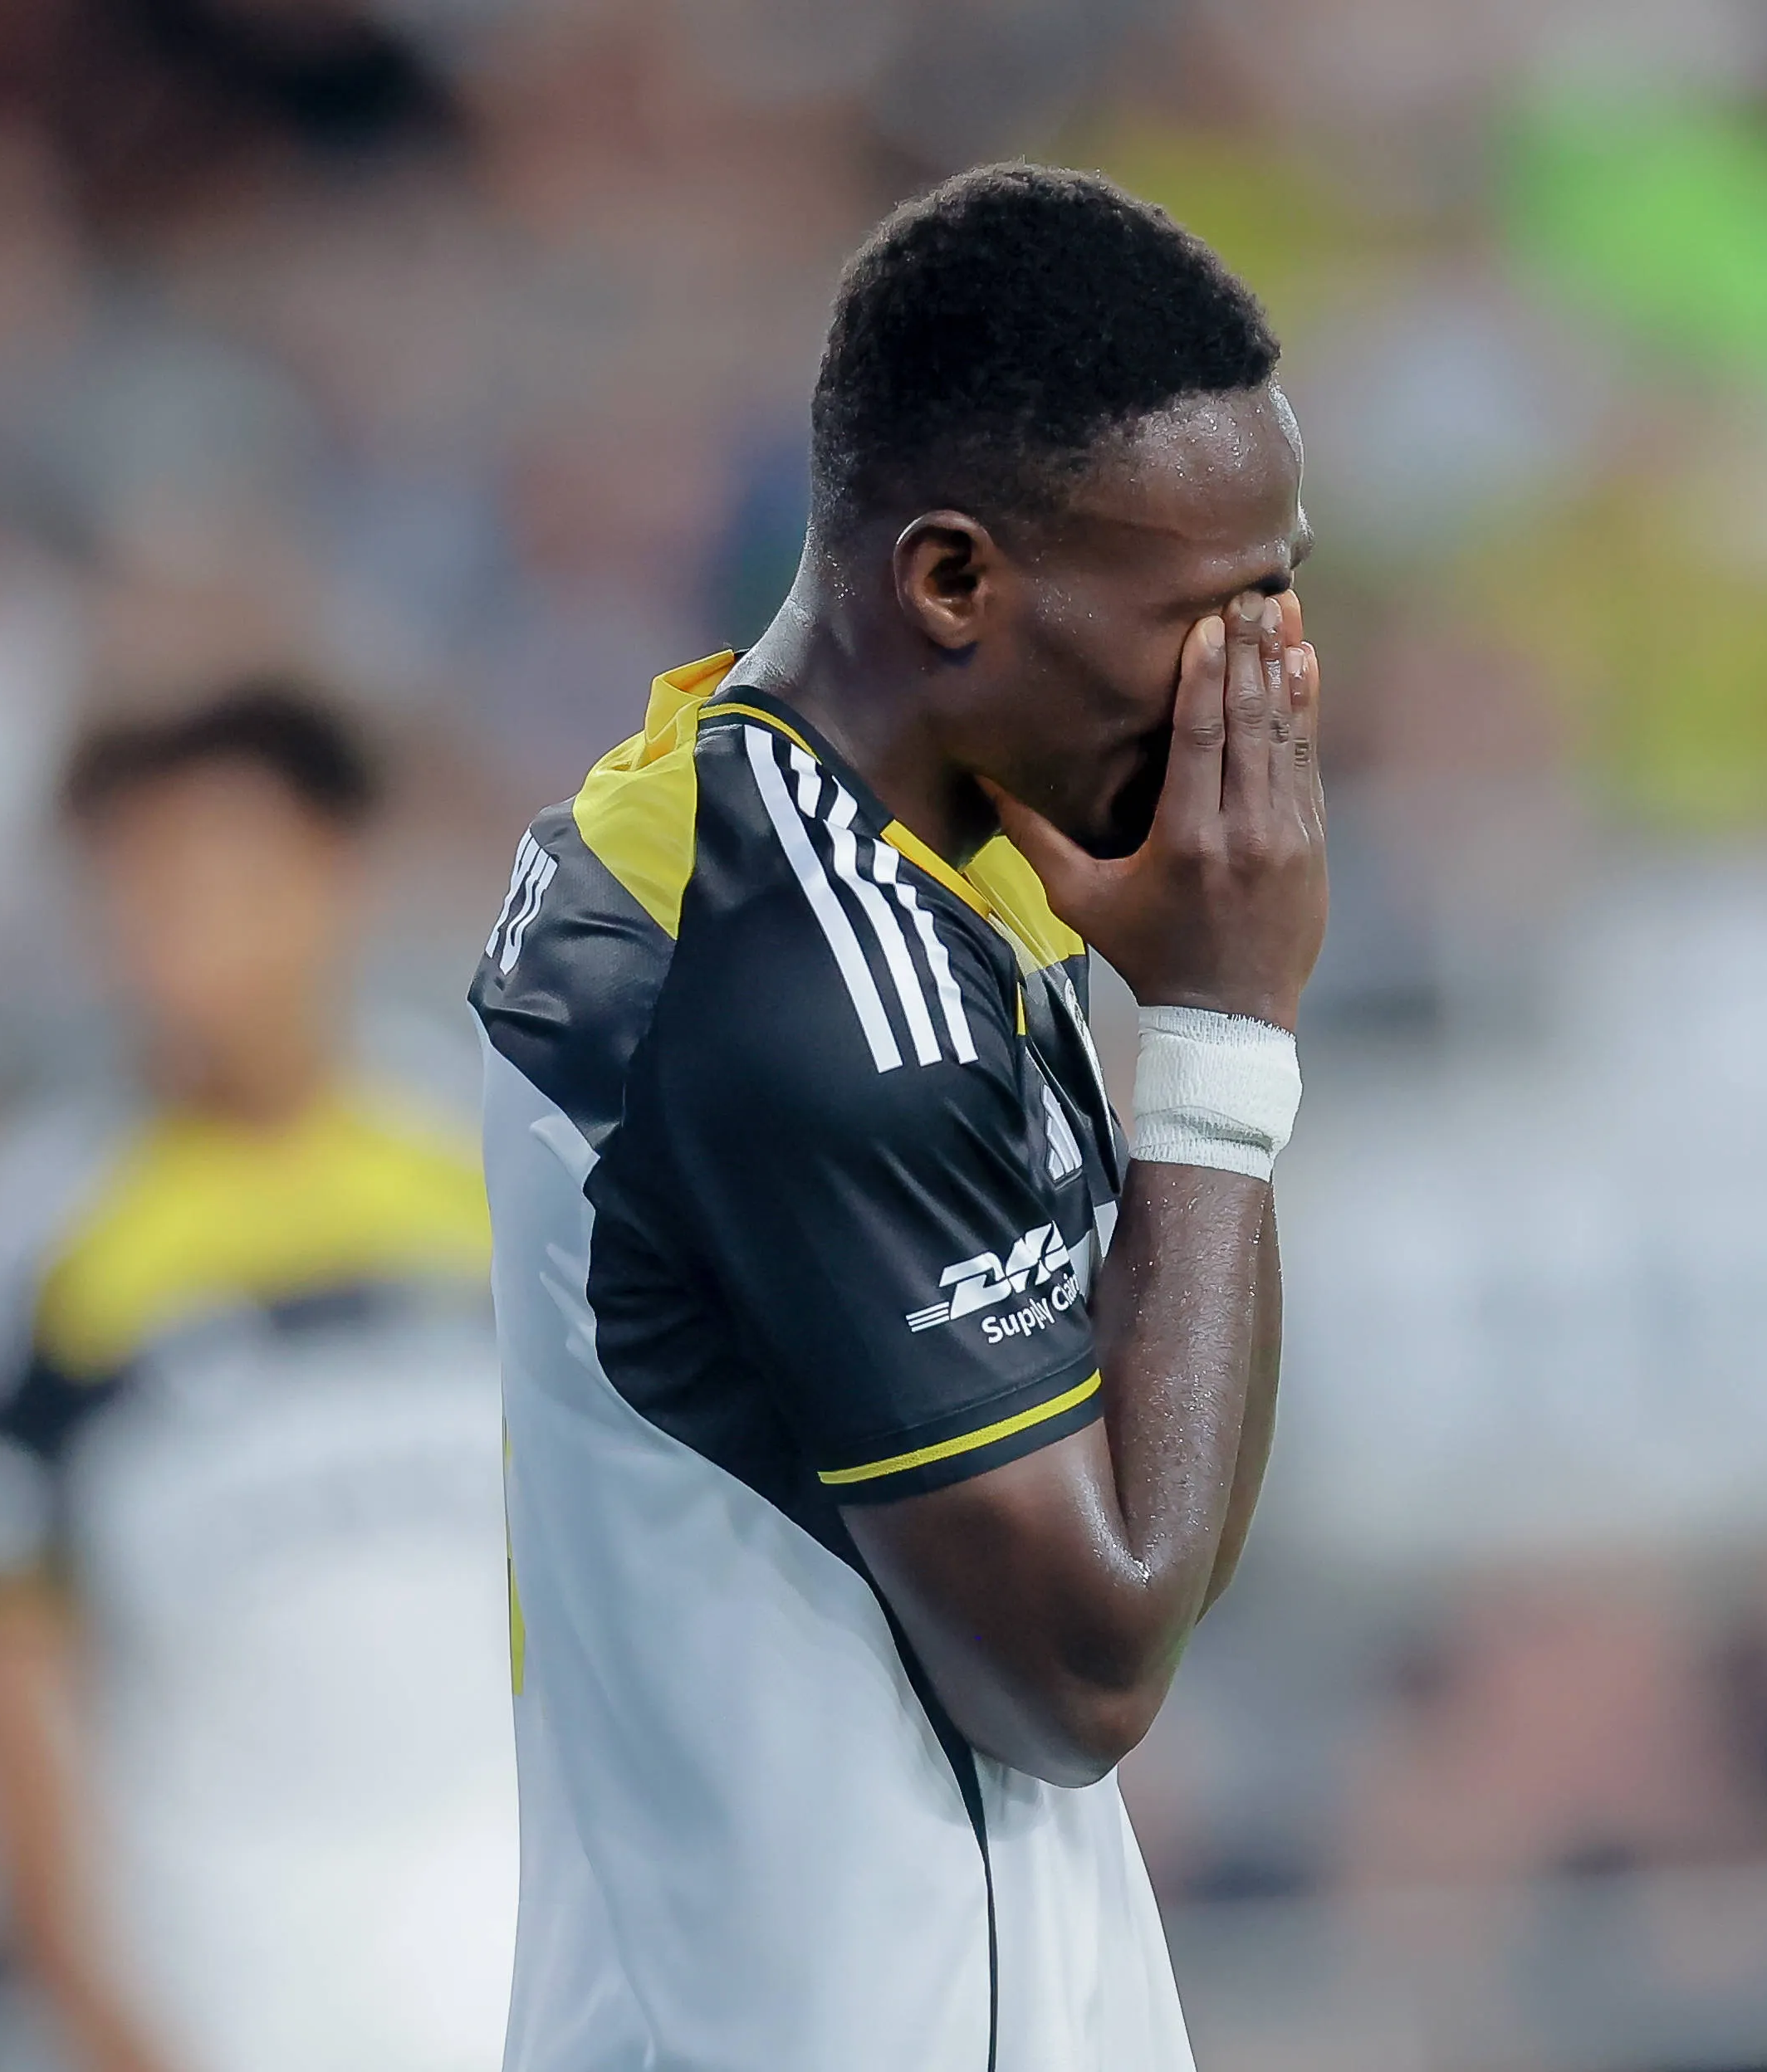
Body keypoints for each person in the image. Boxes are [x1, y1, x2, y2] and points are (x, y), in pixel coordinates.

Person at [470, 164, 1322, 2070]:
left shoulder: (862, 853)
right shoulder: (794, 970)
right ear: (951, 582)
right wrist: (1218, 1026)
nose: (1268, 683)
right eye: (1213, 612)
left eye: (1287, 590)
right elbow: (1088, 1665)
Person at [0, 684, 516, 2072]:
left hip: (507, 1937)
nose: (177, 932)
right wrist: (96, 2006)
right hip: (222, 1971)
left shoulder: (485, 1158)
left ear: (333, 877)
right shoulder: (39, 1237)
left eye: (222, 876)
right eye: (139, 889)